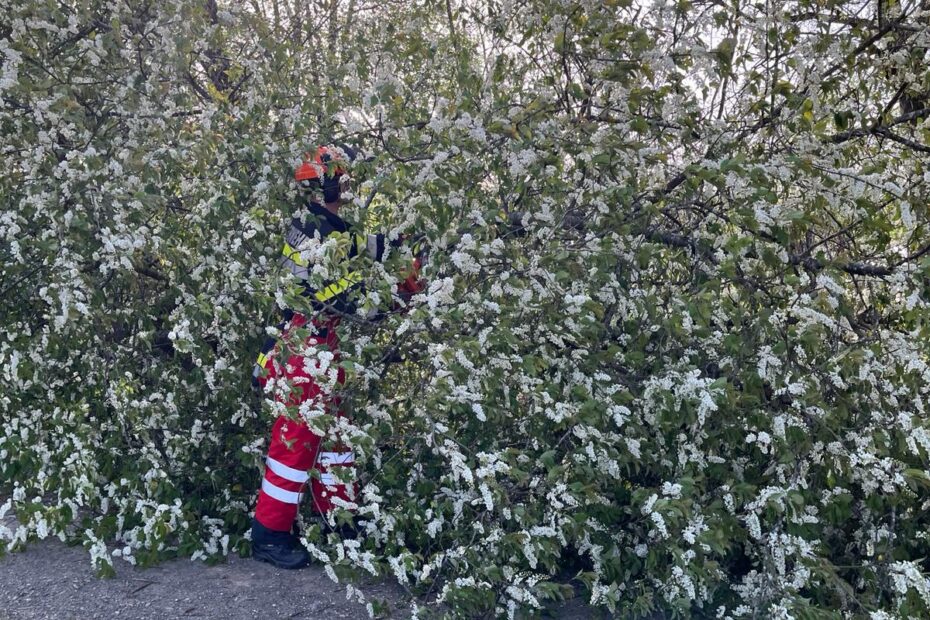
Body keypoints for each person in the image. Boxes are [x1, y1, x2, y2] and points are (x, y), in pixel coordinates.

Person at [250, 145, 424, 569]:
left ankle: (341, 518)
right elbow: (345, 301)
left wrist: (402, 241)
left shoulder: (321, 223)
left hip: (318, 347)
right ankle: (269, 534)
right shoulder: (317, 235)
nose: (347, 185)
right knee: (296, 442)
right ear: (328, 181)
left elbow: (361, 245)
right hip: (307, 349)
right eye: (343, 178)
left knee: (335, 437)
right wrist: (400, 297)